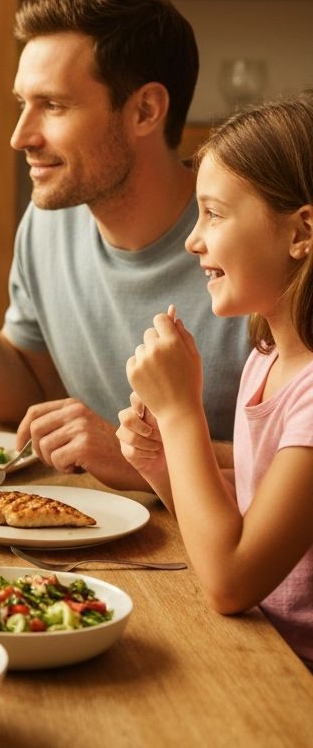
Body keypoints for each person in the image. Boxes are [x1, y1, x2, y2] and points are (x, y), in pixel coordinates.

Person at [0, 0, 250, 491]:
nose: (21, 137)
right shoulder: (49, 221)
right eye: (22, 104)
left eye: (54, 106)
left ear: (145, 110)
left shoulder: (253, 241)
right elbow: (25, 399)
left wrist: (135, 455)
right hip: (99, 536)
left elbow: (296, 456)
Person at [118, 93, 313, 666]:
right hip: (262, 647)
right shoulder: (268, 358)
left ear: (301, 231)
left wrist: (182, 414)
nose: (193, 239)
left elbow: (231, 581)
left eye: (215, 213)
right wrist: (163, 464)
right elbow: (229, 536)